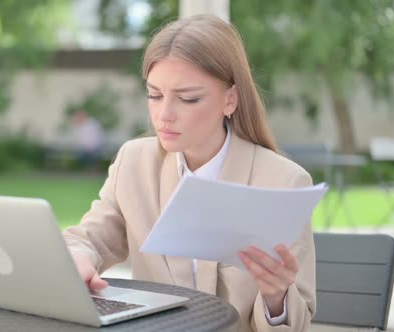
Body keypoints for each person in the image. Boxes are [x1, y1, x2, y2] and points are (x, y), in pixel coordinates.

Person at [63, 14, 315, 332]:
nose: (164, 114)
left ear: (230, 100)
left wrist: (276, 297)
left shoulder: (283, 183)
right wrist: (78, 256)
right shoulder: (134, 162)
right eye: (154, 95)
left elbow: (298, 322)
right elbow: (89, 239)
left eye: (188, 98)